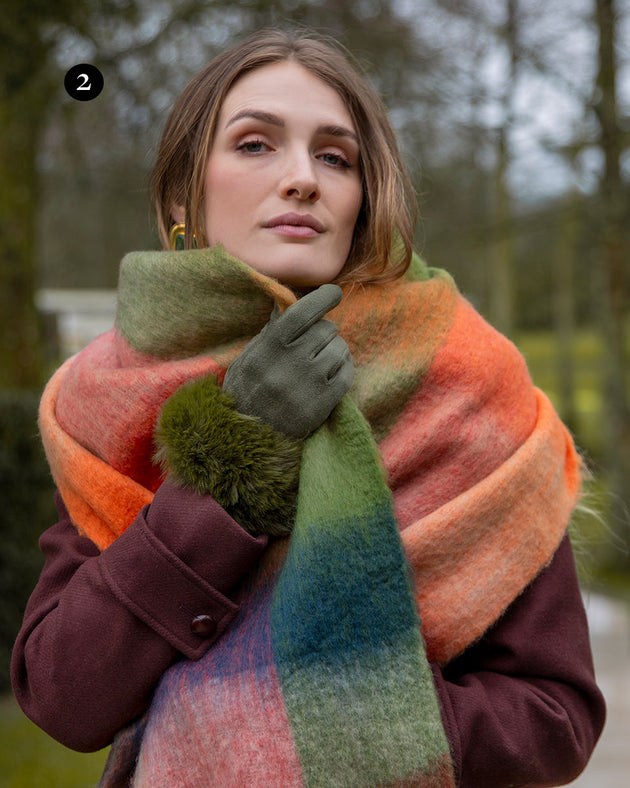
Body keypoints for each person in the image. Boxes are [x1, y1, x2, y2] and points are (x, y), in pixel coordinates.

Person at [12, 28, 605, 788]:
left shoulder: (467, 386)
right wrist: (233, 456)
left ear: (365, 195)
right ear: (179, 194)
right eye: (255, 144)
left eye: (335, 156)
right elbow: (64, 697)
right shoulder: (111, 402)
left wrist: (314, 719)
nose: (303, 179)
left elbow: (557, 716)